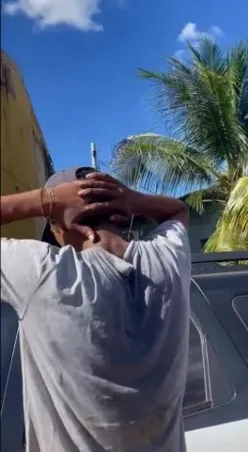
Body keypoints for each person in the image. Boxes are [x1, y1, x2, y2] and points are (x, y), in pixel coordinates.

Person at [0, 167, 192, 451]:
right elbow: (178, 212)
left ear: (58, 226)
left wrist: (47, 198)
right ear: (121, 216)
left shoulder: (44, 274)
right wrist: (132, 200)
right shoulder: (168, 261)